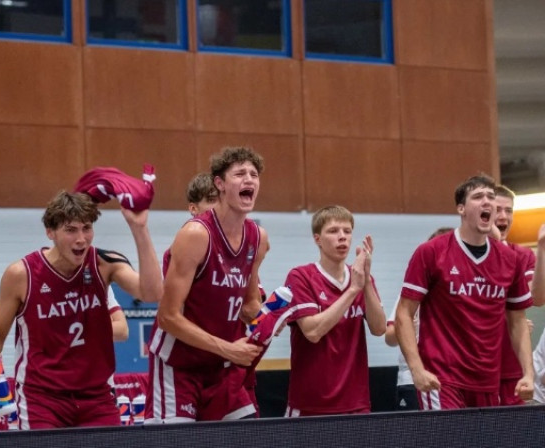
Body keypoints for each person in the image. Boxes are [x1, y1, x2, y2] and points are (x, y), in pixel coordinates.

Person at [0, 190, 162, 430]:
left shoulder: (104, 264)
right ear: (50, 232)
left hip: (97, 396)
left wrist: (140, 228)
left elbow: (153, 293)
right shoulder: (21, 274)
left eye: (86, 228)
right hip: (42, 398)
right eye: (71, 230)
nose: (81, 238)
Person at [147, 147, 268, 423]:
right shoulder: (195, 235)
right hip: (179, 366)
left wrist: (276, 317)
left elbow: (250, 306)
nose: (249, 179)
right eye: (240, 174)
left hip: (220, 366)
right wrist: (228, 348)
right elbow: (167, 318)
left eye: (253, 174)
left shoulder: (258, 238)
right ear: (220, 184)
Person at [395, 175, 534, 410]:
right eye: (478, 197)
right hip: (442, 379)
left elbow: (518, 321)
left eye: (490, 197)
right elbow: (403, 314)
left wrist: (528, 373)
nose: (487, 202)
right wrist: (417, 369)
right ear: (461, 208)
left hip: (488, 381)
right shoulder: (432, 252)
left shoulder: (510, 260)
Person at [279, 205, 385, 417]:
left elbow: (379, 328)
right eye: (333, 231)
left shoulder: (361, 279)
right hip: (311, 404)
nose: (342, 237)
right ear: (317, 239)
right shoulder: (301, 276)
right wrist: (353, 289)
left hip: (356, 402)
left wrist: (365, 282)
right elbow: (313, 332)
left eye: (347, 231)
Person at [384, 227, 453, 411]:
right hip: (412, 379)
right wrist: (410, 325)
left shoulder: (461, 292)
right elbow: (389, 337)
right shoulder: (413, 290)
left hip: (453, 379)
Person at [494, 185, 541, 405]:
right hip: (472, 370)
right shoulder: (458, 253)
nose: (504, 216)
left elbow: (535, 297)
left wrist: (540, 249)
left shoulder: (521, 255)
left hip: (512, 368)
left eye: (509, 210)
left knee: (513, 437)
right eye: (498, 209)